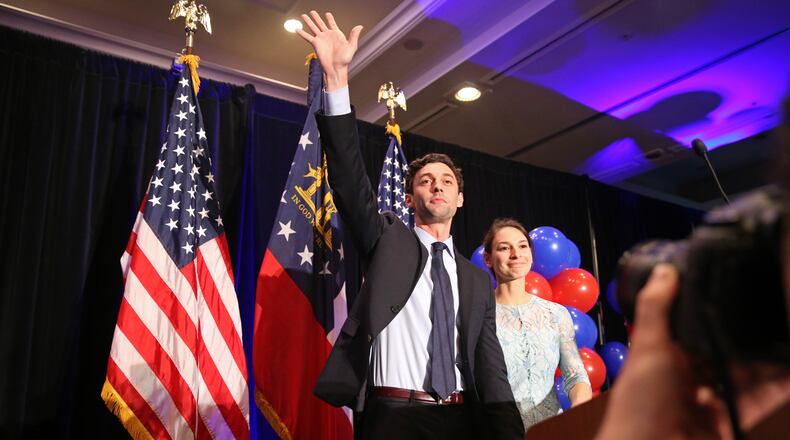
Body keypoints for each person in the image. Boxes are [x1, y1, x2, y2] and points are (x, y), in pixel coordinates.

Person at [296, 10, 524, 439]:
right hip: (393, 418)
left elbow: (491, 370)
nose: (436, 187)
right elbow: (347, 177)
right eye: (425, 181)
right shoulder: (387, 240)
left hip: (460, 421)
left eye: (446, 181)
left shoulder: (477, 280)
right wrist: (337, 78)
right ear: (409, 198)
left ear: (459, 198)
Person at [483, 218, 593, 430]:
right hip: (498, 432)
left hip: (550, 431)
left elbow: (576, 375)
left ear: (532, 255)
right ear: (488, 258)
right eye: (505, 248)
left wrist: (579, 409)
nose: (516, 254)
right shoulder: (480, 315)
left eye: (523, 246)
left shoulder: (556, 314)